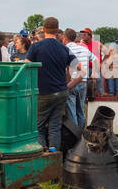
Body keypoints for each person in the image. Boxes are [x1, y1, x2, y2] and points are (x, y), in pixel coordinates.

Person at [27, 16, 79, 152]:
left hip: (43, 93)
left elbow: (25, 68)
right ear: (57, 30)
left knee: (38, 127)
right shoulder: (64, 48)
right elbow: (82, 70)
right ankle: (54, 154)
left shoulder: (36, 47)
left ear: (43, 29)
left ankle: (43, 156)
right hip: (61, 92)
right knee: (55, 126)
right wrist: (69, 85)